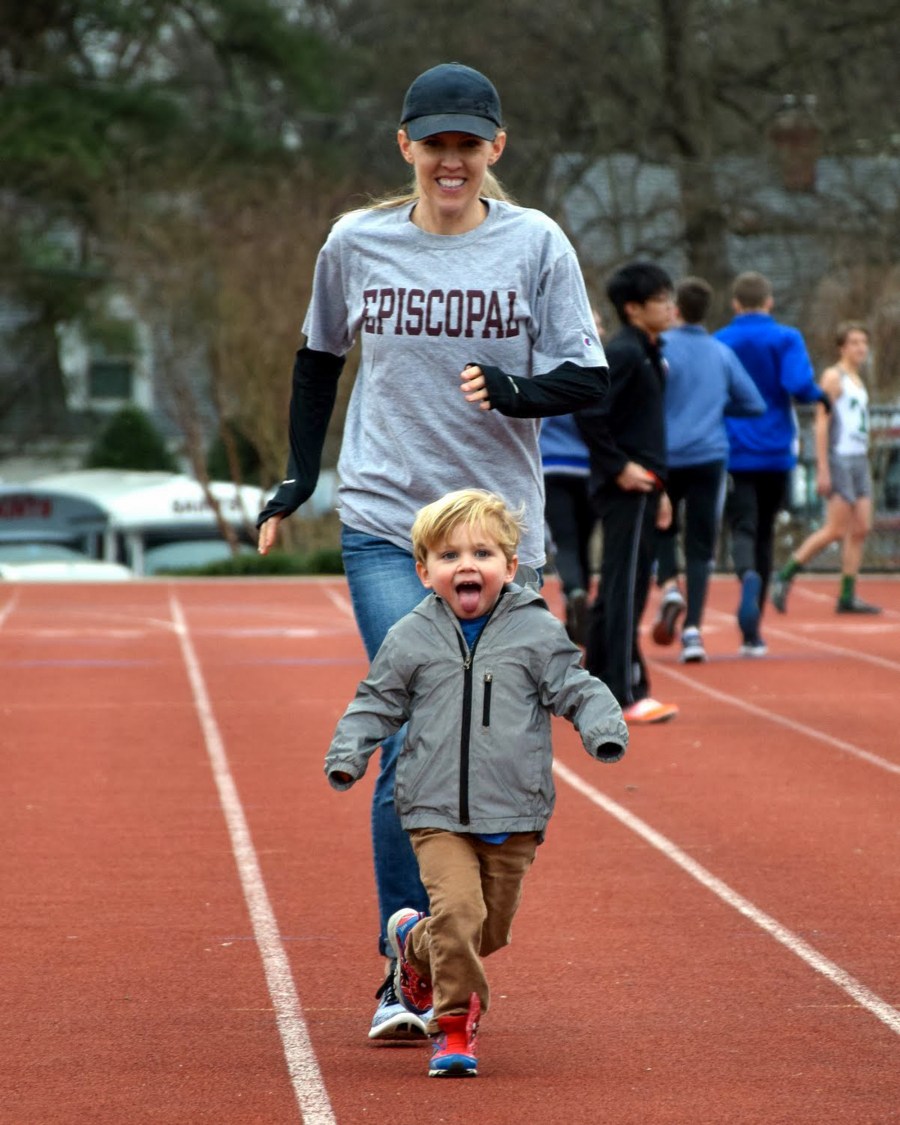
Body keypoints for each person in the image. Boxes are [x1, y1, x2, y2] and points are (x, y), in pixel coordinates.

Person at [255, 62, 608, 1040]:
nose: (450, 159)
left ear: (496, 149)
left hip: (498, 536)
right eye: (434, 142)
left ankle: (450, 934)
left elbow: (586, 377)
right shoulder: (355, 243)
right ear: (404, 147)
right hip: (385, 523)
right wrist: (296, 476)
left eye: (468, 143)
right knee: (415, 727)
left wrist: (517, 390)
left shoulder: (534, 244)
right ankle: (403, 958)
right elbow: (319, 358)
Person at [324, 489, 628, 1077]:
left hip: (514, 812)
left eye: (483, 553)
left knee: (487, 931)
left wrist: (601, 726)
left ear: (511, 567)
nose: (467, 565)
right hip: (433, 810)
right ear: (424, 571)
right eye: (448, 555)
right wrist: (349, 754)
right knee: (459, 916)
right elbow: (376, 702)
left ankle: (414, 943)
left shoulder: (536, 631)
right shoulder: (411, 637)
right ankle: (455, 1026)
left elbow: (577, 685)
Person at [575, 261, 679, 724]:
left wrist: (661, 490)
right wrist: (619, 468)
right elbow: (589, 409)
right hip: (626, 487)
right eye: (661, 299)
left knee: (624, 585)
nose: (671, 306)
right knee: (625, 589)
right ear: (634, 308)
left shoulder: (650, 351)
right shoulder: (622, 352)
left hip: (647, 486)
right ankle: (625, 691)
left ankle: (594, 682)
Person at [714, 271, 830, 656]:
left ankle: (745, 574)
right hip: (777, 449)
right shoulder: (786, 338)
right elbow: (799, 384)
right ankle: (754, 632)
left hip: (734, 449)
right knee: (765, 532)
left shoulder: (721, 341)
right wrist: (821, 397)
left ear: (734, 304)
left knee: (743, 527)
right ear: (769, 302)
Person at [651, 277, 765, 663]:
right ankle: (693, 632)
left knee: (660, 524)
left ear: (675, 309)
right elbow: (754, 404)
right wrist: (716, 410)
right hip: (708, 455)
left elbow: (644, 394)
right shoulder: (720, 353)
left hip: (664, 454)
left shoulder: (660, 347)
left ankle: (668, 585)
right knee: (701, 546)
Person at [771, 322, 881, 615]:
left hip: (859, 458)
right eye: (855, 342)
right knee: (835, 529)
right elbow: (822, 422)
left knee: (861, 528)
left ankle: (847, 594)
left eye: (863, 342)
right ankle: (785, 575)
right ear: (842, 347)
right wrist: (824, 468)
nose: (861, 348)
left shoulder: (858, 378)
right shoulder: (834, 377)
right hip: (839, 458)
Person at [539, 310, 605, 644]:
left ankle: (575, 593)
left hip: (553, 465)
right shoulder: (600, 368)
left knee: (564, 541)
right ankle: (579, 604)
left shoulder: (545, 363)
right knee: (582, 542)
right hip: (590, 467)